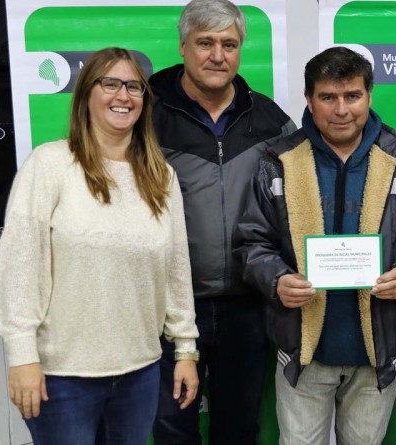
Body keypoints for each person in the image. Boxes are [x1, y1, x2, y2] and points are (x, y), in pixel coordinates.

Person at [236, 46, 396, 445]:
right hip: (303, 353)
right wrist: (277, 280)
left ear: (369, 96)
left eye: (352, 96)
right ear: (309, 99)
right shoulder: (279, 162)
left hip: (377, 352)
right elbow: (252, 242)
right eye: (328, 97)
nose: (341, 110)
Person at [0, 47, 199, 444]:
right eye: (110, 83)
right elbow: (20, 265)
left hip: (140, 372)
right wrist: (22, 355)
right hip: (62, 377)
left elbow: (176, 269)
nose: (123, 95)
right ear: (87, 94)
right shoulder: (49, 165)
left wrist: (186, 349)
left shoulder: (161, 176)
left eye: (134, 87)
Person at [148, 1, 296, 443]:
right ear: (182, 46)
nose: (218, 55)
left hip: (247, 307)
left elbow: (300, 203)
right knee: (172, 430)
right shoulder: (146, 116)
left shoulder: (270, 120)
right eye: (205, 43)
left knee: (238, 428)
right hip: (170, 308)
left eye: (229, 45)